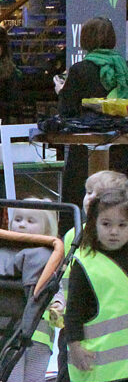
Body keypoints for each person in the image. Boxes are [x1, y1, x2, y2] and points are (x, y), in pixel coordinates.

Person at [46, 169, 128, 382]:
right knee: (66, 380)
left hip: (118, 346)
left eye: (100, 195)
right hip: (76, 327)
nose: (91, 199)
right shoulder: (75, 237)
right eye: (88, 192)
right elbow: (61, 275)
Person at [66, 187, 128, 382]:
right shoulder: (85, 261)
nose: (114, 232)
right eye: (106, 224)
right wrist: (74, 345)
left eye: (122, 225)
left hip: (124, 353)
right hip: (97, 351)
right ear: (93, 225)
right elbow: (73, 310)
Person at [57, 16, 128, 231]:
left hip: (86, 153)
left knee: (79, 207)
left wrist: (62, 92)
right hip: (121, 150)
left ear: (84, 39)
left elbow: (67, 112)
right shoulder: (124, 68)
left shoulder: (79, 70)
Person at [1, 203, 59, 382]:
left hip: (41, 333)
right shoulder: (4, 254)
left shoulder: (52, 258)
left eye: (30, 220)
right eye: (19, 219)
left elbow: (58, 286)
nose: (22, 224)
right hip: (12, 331)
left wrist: (58, 303)